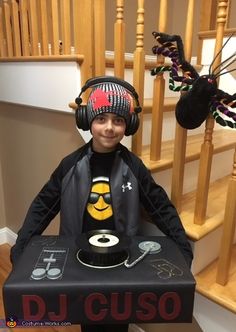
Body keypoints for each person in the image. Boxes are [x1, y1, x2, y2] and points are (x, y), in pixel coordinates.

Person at [10, 76, 193, 332]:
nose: (109, 127)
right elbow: (43, 206)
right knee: (89, 319)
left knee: (118, 321)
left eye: (118, 120)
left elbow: (161, 207)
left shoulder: (135, 168)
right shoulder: (69, 166)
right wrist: (21, 247)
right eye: (101, 119)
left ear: (128, 125)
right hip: (81, 260)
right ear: (88, 121)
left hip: (121, 263)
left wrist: (183, 249)